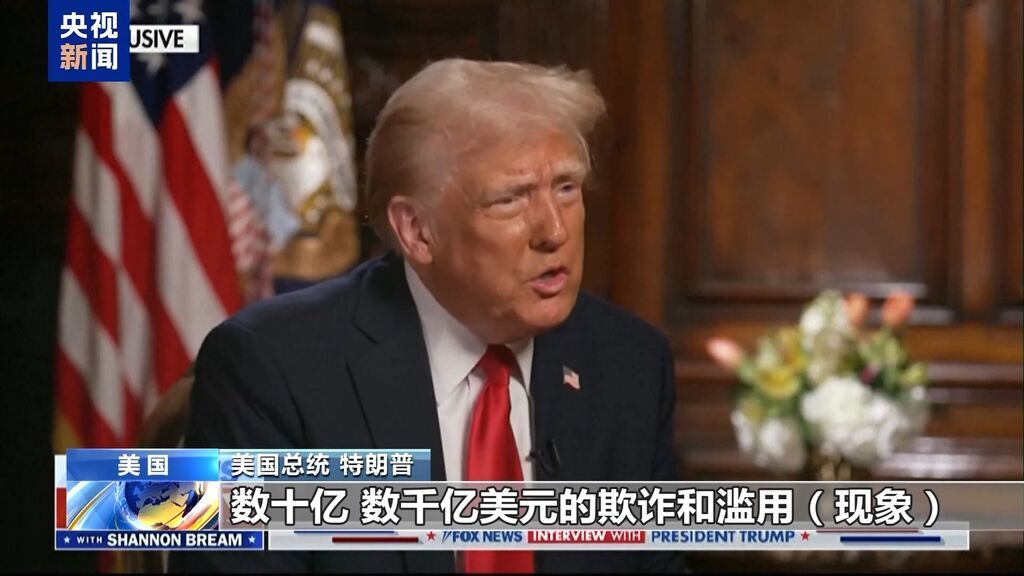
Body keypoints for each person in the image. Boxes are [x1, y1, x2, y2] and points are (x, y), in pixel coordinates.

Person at [171, 58, 682, 573]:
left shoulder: (631, 364)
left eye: (567, 187)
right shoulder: (271, 370)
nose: (555, 231)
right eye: (510, 199)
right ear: (417, 231)